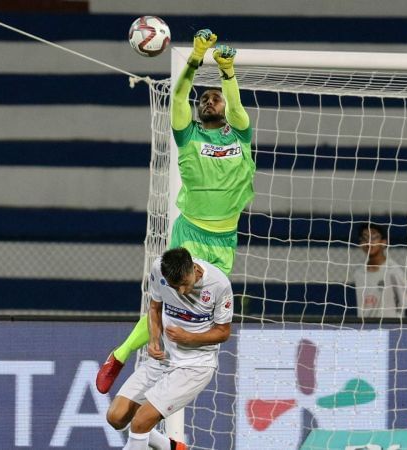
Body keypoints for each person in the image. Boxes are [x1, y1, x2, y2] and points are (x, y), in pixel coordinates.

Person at [97, 28, 253, 393]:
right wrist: (198, 56)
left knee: (201, 306)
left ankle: (166, 369)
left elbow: (238, 105)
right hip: (191, 233)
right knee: (168, 298)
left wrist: (227, 71)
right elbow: (181, 95)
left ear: (226, 108)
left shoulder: (240, 134)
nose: (208, 101)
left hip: (225, 239)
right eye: (205, 100)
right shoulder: (189, 135)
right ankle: (119, 356)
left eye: (215, 98)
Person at [105, 247, 233, 450]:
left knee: (140, 422)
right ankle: (169, 447)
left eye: (184, 284)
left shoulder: (219, 285)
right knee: (116, 417)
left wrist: (189, 337)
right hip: (163, 358)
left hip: (194, 366)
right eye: (175, 287)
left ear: (194, 269)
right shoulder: (158, 269)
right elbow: (155, 308)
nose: (181, 291)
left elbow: (224, 332)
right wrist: (154, 339)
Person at [353, 223, 407, 318]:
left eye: (374, 237)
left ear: (384, 242)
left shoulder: (393, 271)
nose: (368, 242)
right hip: (366, 330)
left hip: (390, 330)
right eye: (364, 238)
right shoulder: (358, 273)